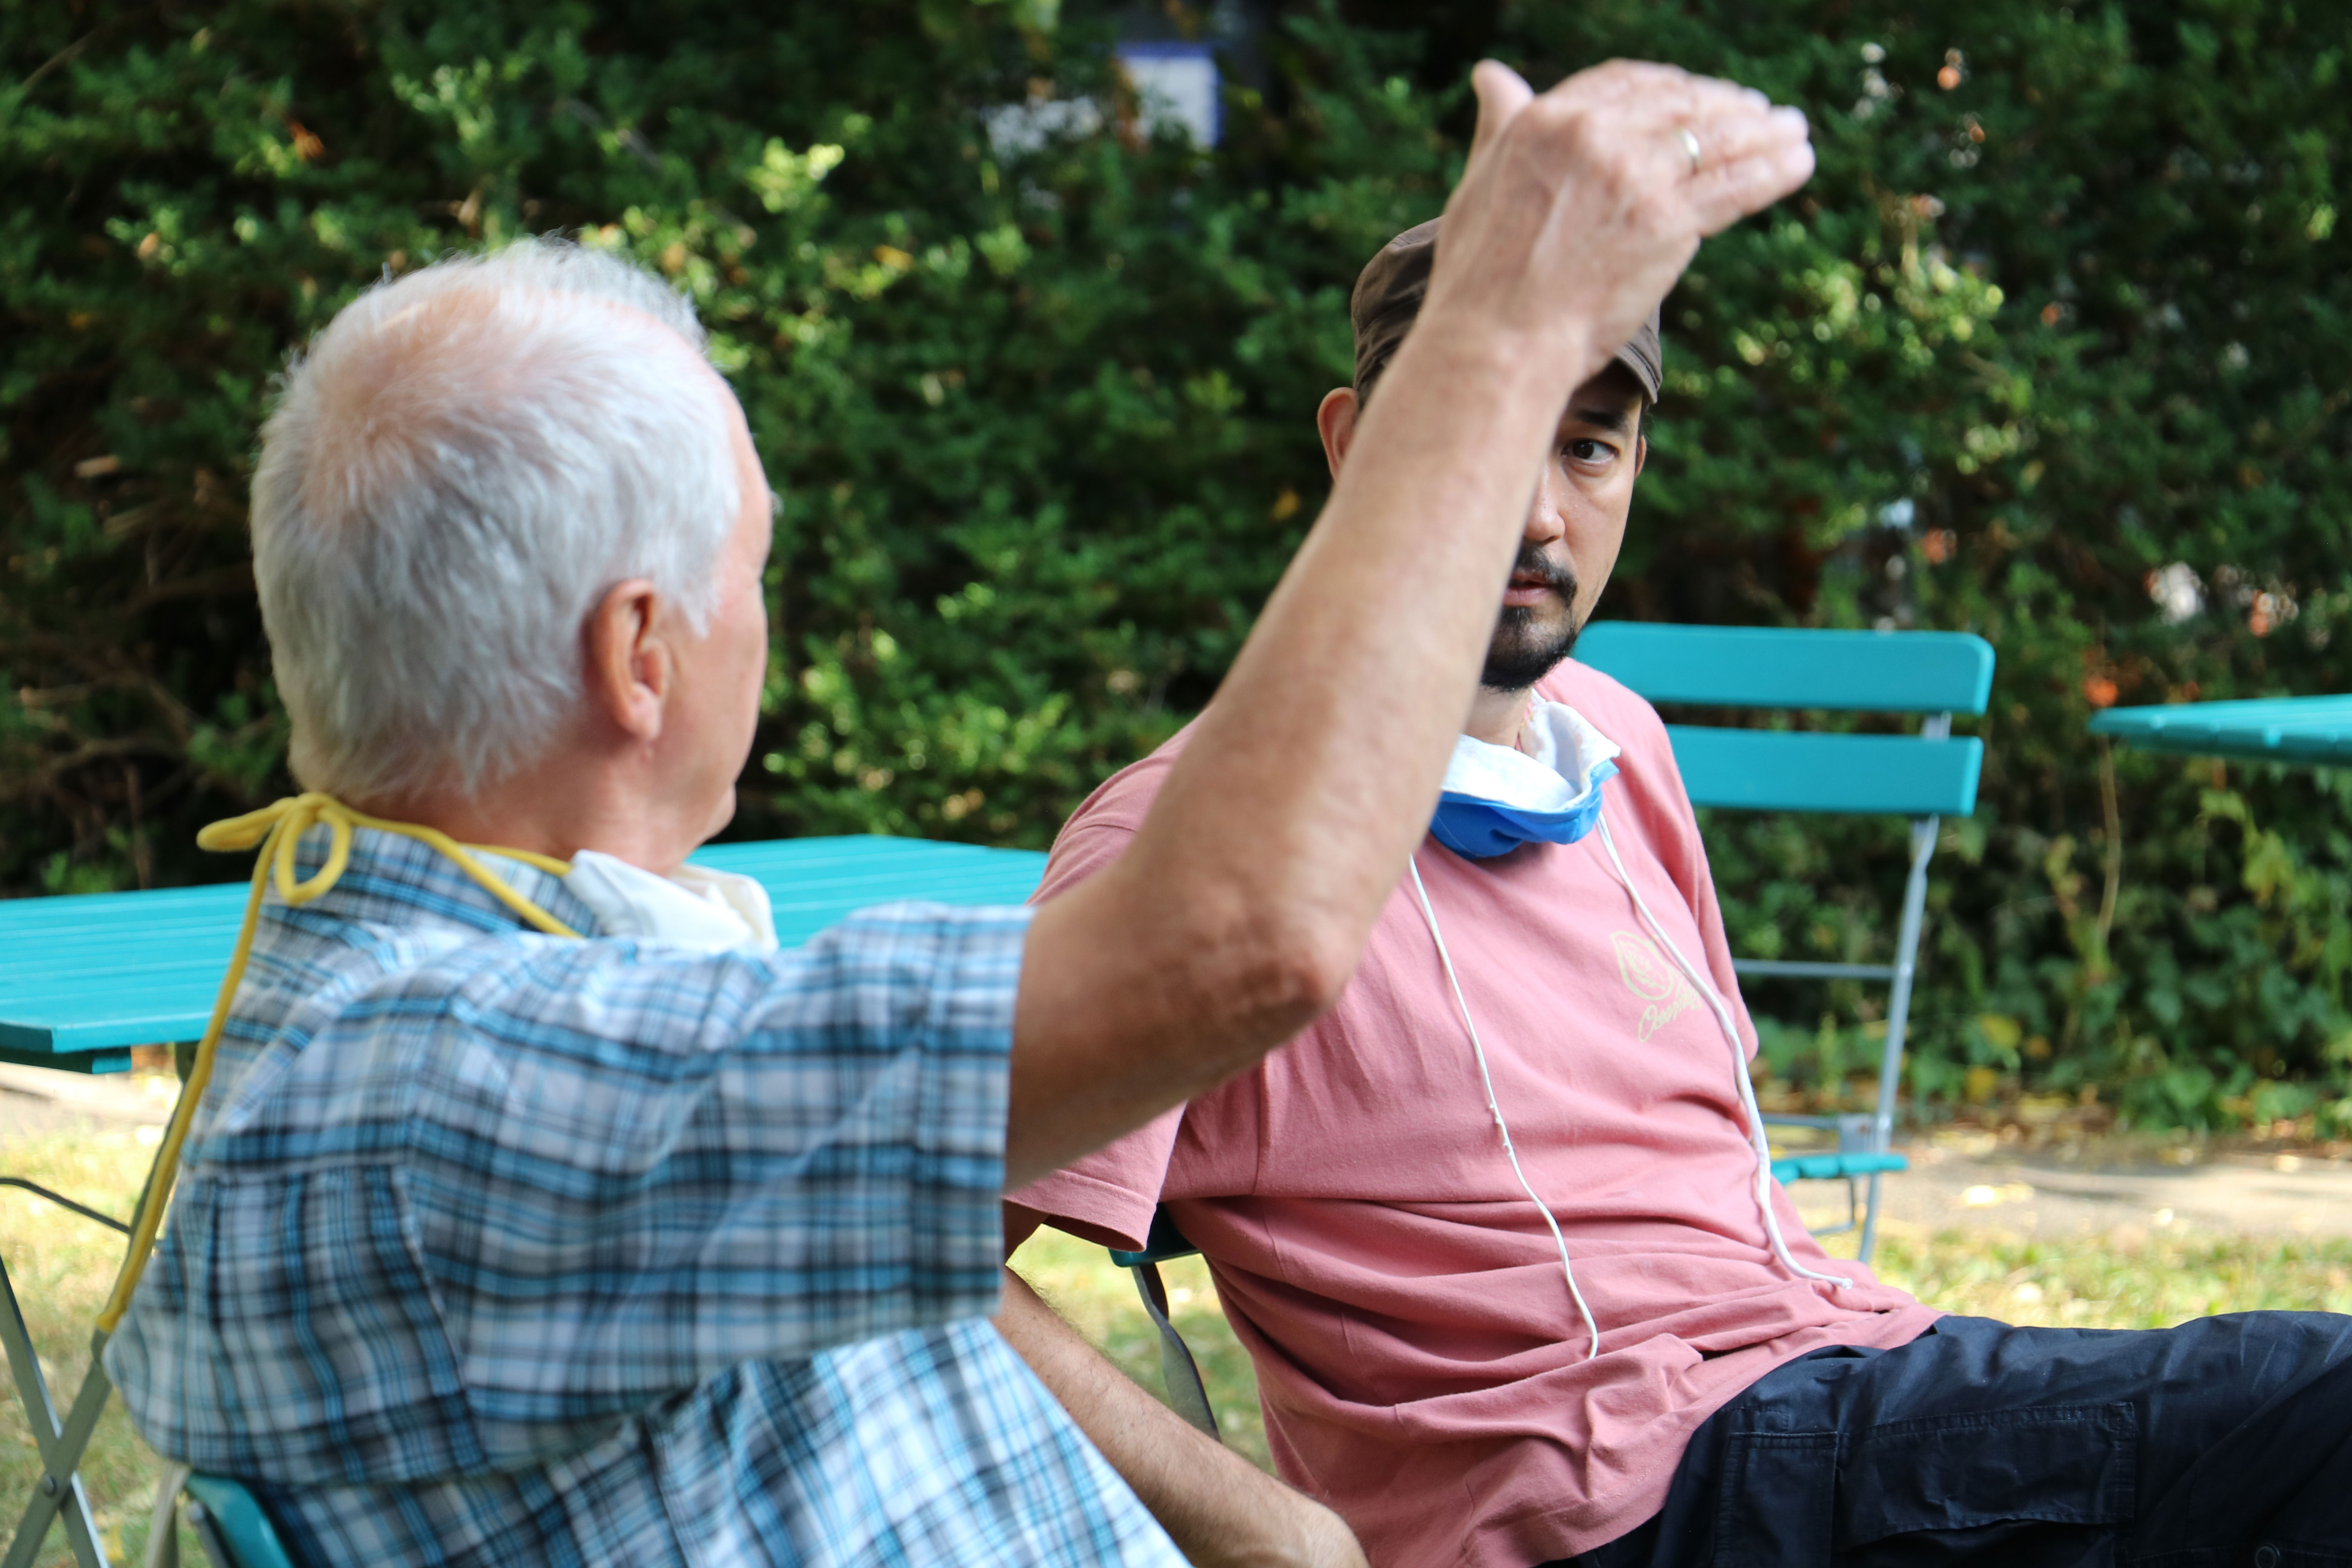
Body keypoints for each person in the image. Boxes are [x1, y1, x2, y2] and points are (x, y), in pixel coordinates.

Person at [97, 58, 1815, 1568]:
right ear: (641, 654)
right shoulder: (475, 1084)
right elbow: (1236, 941)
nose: (766, 616)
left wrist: (1261, 1519)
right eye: (752, 570)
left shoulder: (436, 1035)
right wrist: (1501, 344)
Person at [1000, 216, 2352, 1568]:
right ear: (1357, 446)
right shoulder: (1186, 839)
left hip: (1846, 1378)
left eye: (1587, 444)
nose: (1538, 512)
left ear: (1636, 464)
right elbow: (901, 1255)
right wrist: (1262, 1528)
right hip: (1624, 1499)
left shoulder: (1621, 744)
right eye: (1481, 430)